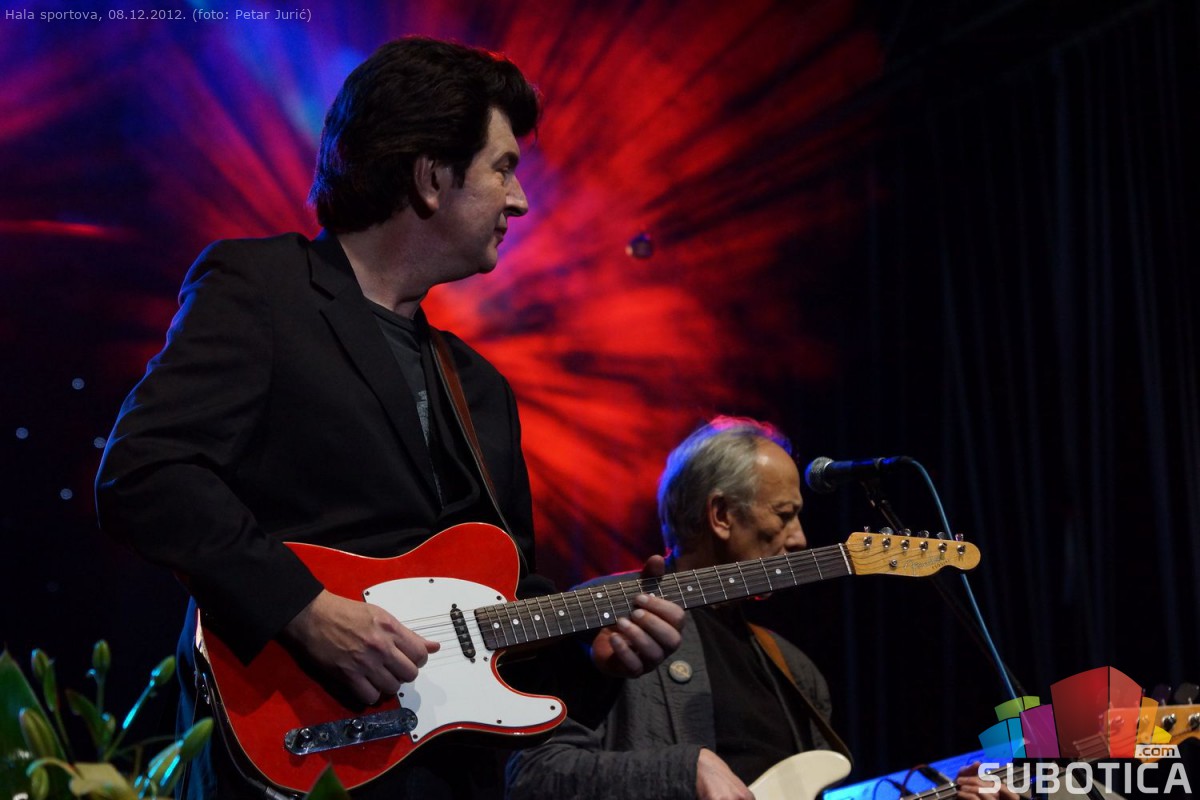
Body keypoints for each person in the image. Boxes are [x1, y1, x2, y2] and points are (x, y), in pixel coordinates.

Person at [95, 36, 682, 799]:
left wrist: (589, 650)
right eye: (502, 167)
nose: (519, 200)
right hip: (292, 754)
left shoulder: (482, 389)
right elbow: (145, 470)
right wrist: (304, 610)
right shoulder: (262, 288)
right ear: (432, 177)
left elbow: (499, 607)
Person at [505, 417, 1020, 800]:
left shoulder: (797, 671)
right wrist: (685, 772)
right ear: (721, 514)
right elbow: (531, 776)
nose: (800, 539)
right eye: (785, 515)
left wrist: (948, 792)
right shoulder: (617, 616)